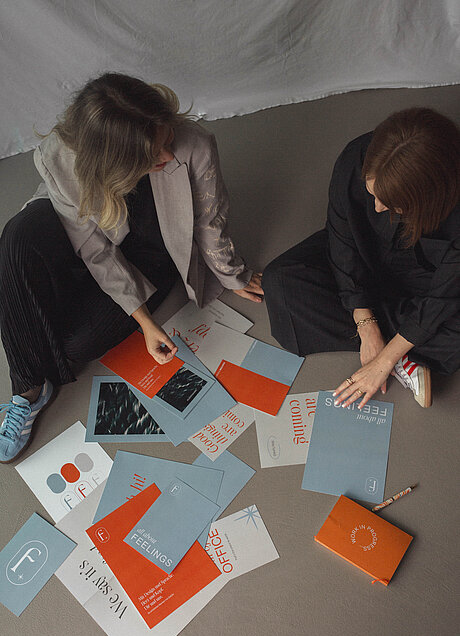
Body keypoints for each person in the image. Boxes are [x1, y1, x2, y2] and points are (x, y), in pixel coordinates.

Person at [0, 73, 263, 463]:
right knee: (16, 237)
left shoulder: (195, 145)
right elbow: (95, 250)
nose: (168, 156)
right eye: (154, 153)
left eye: (166, 140)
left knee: (76, 346)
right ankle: (28, 391)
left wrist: (230, 274)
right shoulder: (60, 155)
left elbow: (210, 221)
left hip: (147, 250)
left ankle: (45, 316)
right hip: (80, 234)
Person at [263, 107, 460, 410]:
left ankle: (400, 346)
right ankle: (408, 345)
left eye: (392, 204)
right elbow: (342, 239)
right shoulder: (357, 155)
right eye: (372, 195)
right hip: (365, 262)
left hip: (433, 282)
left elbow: (445, 295)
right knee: (281, 281)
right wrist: (366, 325)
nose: (378, 208)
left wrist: (384, 360)